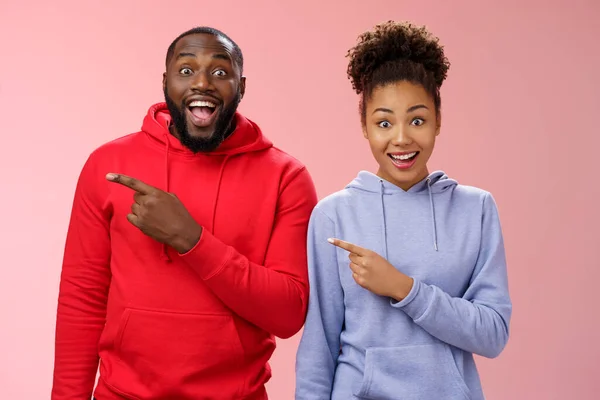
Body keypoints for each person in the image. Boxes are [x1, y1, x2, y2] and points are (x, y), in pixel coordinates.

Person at [52, 26, 317, 400]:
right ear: (165, 81)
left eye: (221, 72)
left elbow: (288, 314)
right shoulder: (108, 164)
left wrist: (191, 240)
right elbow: (82, 299)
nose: (203, 83)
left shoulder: (286, 177)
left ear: (242, 87)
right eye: (187, 70)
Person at [295, 21, 512, 400]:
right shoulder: (333, 215)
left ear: (438, 119)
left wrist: (403, 288)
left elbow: (492, 333)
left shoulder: (475, 208)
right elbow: (319, 346)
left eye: (417, 120)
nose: (401, 139)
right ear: (364, 125)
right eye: (383, 122)